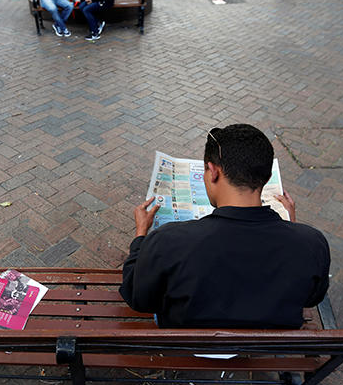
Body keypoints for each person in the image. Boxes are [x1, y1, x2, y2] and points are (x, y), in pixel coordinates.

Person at [119, 124, 331, 329]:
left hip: (187, 339)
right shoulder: (312, 242)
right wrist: (292, 229)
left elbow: (137, 297)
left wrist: (140, 236)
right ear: (267, 176)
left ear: (213, 172)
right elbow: (312, 297)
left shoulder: (167, 240)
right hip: (261, 345)